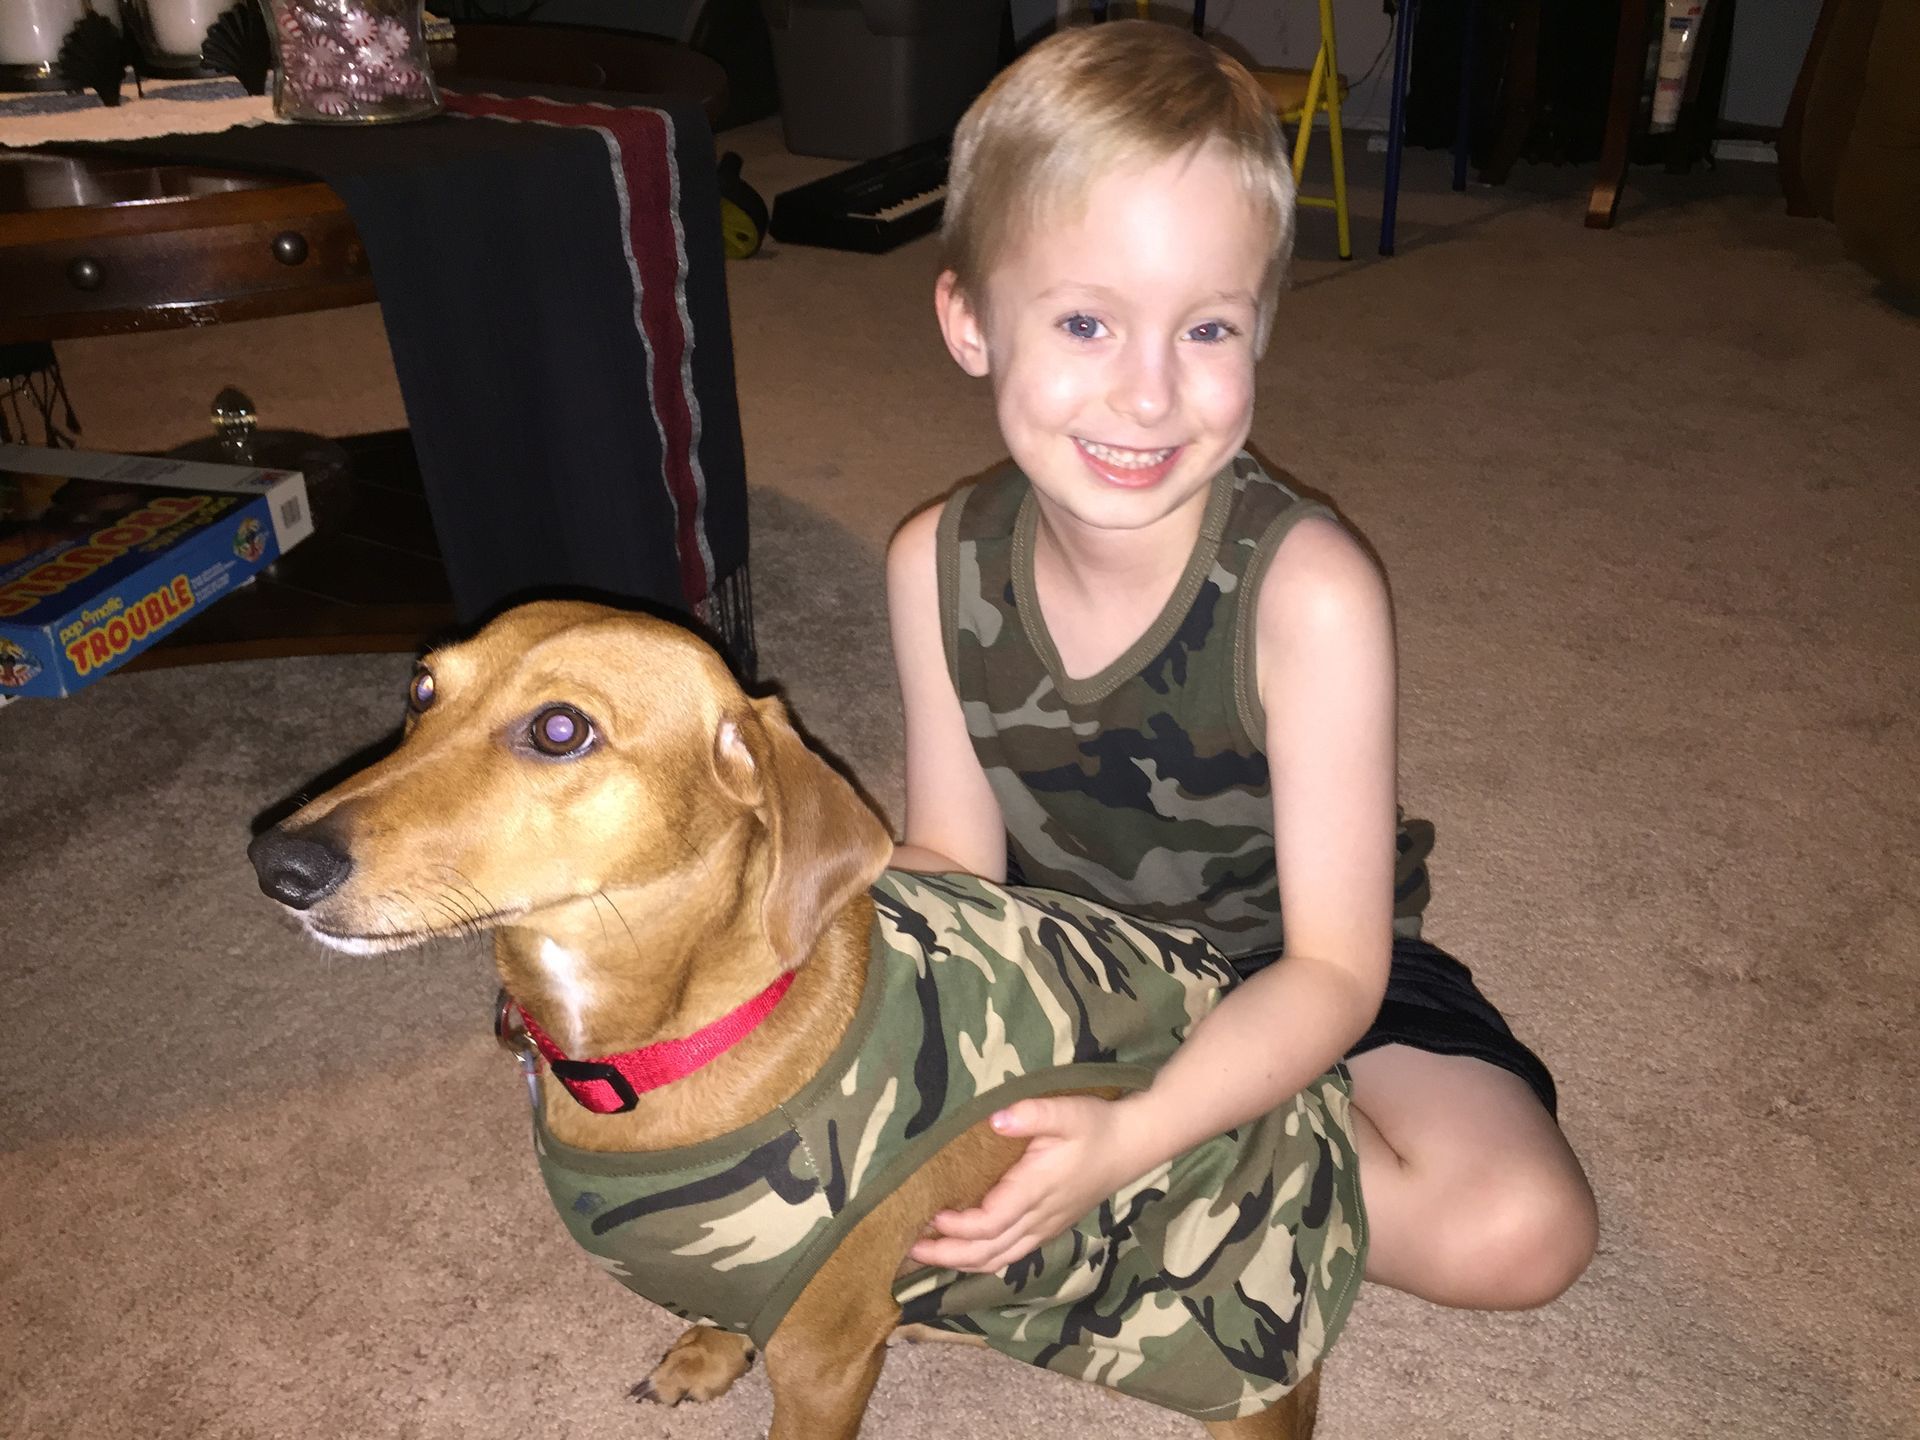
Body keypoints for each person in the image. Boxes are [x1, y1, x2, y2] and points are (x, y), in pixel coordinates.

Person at [885, 21, 1597, 1310]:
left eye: (1207, 330)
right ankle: (1163, 1158)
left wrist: (1132, 1138)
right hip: (1075, 971)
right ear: (970, 322)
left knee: (1519, 1233)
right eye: (1087, 322)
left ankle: (1141, 1157)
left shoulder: (1311, 593)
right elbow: (953, 868)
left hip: (1302, 973)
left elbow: (1337, 969)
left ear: (1261, 328)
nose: (1149, 395)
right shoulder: (933, 560)